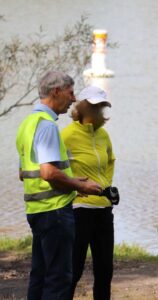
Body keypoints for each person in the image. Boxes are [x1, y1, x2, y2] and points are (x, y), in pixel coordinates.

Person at [16, 71, 103, 300]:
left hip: (37, 211)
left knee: (41, 275)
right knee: (58, 278)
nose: (74, 99)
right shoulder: (47, 126)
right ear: (56, 91)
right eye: (71, 92)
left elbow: (22, 173)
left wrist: (72, 182)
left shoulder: (27, 124)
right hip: (54, 212)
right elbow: (48, 172)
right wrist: (79, 185)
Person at [61, 85, 116, 300]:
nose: (99, 111)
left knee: (105, 270)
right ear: (82, 107)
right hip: (78, 210)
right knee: (73, 269)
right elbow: (56, 170)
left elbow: (111, 160)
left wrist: (105, 186)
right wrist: (74, 190)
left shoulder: (103, 135)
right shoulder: (67, 135)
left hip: (103, 209)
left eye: (102, 106)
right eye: (95, 106)